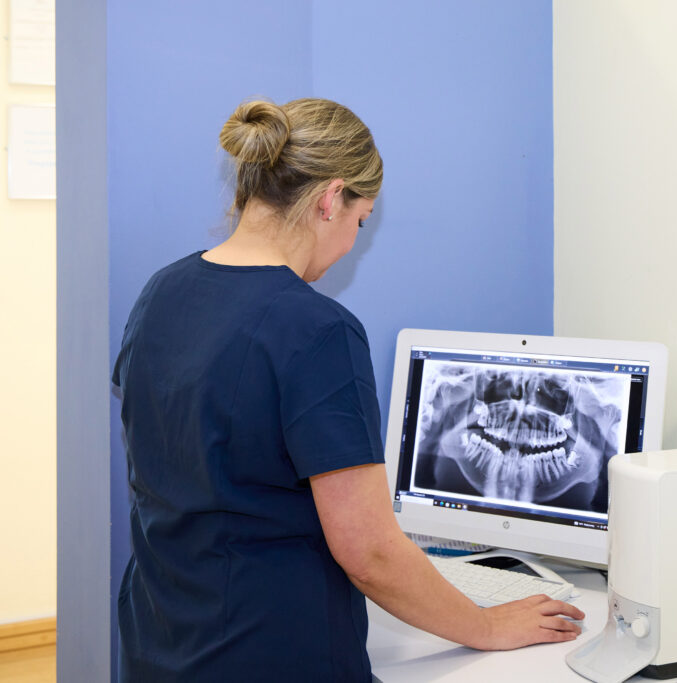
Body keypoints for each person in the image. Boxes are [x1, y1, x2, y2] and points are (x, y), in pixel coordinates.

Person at [112, 98, 584, 683]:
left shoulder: (163, 291)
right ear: (331, 199)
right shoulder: (317, 330)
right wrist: (486, 626)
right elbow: (370, 551)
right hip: (269, 653)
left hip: (160, 640)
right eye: (360, 223)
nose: (350, 246)